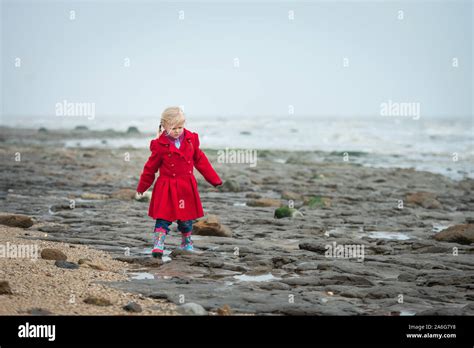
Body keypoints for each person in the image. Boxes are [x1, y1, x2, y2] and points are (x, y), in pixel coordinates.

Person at [136, 106, 222, 257]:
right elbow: (150, 167)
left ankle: (186, 241)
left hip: (185, 186)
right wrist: (143, 186)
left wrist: (214, 180)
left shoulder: (191, 140)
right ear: (164, 126)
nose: (177, 131)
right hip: (166, 186)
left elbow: (201, 161)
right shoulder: (160, 145)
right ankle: (158, 244)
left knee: (185, 219)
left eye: (180, 127)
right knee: (163, 217)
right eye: (173, 128)